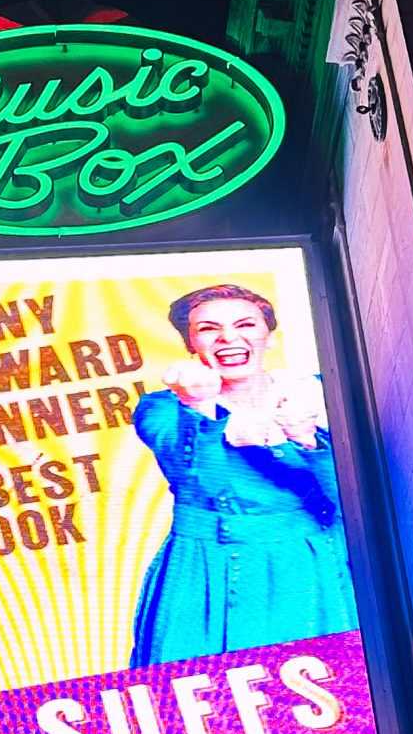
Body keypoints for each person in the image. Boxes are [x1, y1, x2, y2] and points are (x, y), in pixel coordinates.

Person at [128, 283, 359, 666]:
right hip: (205, 569)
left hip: (311, 562)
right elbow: (192, 473)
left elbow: (355, 496)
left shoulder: (319, 393)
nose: (228, 338)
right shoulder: (163, 410)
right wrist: (197, 403)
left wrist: (307, 441)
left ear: (268, 335)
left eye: (245, 324)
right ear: (189, 343)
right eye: (207, 329)